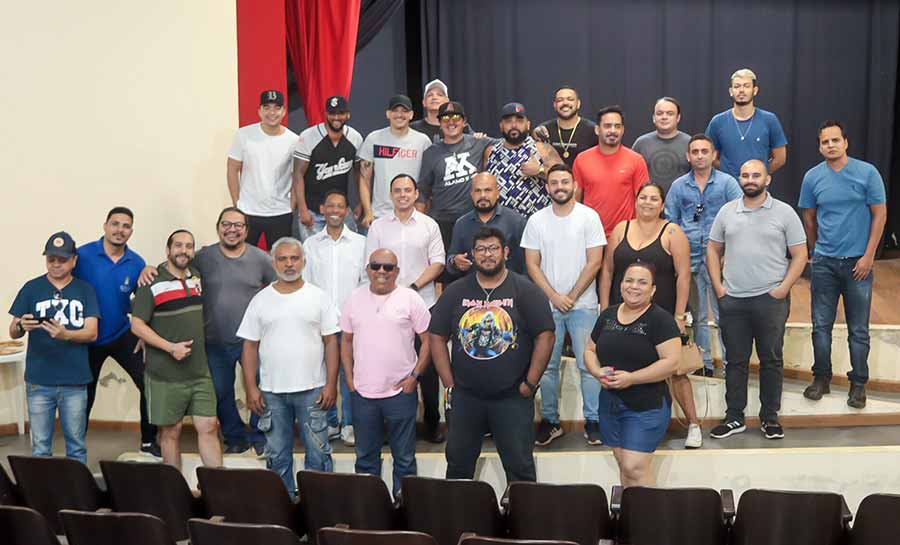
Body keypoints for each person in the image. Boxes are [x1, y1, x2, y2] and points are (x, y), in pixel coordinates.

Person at [429, 226, 555, 483]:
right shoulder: (456, 291)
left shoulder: (525, 290)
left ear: (506, 252)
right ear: (473, 255)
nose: (487, 255)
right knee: (458, 469)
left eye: (493, 248)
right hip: (466, 397)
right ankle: (462, 523)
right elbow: (436, 336)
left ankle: (521, 523)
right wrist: (448, 383)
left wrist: (530, 383)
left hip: (512, 397)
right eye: (481, 249)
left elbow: (546, 335)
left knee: (520, 470)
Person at [707, 159, 807, 440]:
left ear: (768, 180)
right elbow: (713, 250)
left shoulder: (785, 213)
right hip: (733, 299)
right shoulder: (727, 211)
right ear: (739, 179)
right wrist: (719, 287)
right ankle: (734, 417)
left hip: (770, 299)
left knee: (771, 360)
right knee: (735, 361)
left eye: (756, 175)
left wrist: (783, 289)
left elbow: (800, 254)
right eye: (745, 175)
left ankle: (769, 417)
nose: (750, 179)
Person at [600, 183, 701, 448]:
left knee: (676, 371)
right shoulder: (621, 229)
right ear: (635, 201)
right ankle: (632, 424)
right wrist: (603, 306)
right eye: (642, 197)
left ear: (662, 204)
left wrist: (679, 315)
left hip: (663, 314)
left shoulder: (672, 232)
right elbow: (608, 270)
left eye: (653, 198)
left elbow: (684, 275)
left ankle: (693, 424)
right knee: (630, 368)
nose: (647, 202)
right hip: (625, 314)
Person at [238, 237, 339, 495]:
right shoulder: (260, 300)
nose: (289, 263)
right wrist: (251, 388)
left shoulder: (319, 297)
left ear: (303, 261)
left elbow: (331, 343)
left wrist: (330, 385)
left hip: (313, 391)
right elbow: (249, 347)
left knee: (318, 455)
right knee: (277, 456)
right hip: (271, 393)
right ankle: (284, 512)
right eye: (282, 258)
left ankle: (318, 509)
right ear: (274, 263)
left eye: (294, 258)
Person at [799, 120, 887, 409]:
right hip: (825, 262)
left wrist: (869, 255)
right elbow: (809, 218)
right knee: (820, 326)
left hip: (858, 264)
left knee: (858, 329)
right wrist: (815, 251)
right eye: (825, 142)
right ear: (820, 146)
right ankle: (821, 378)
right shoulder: (813, 177)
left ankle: (858, 383)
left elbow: (880, 215)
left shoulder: (867, 173)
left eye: (835, 140)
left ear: (845, 142)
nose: (831, 146)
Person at [520, 164, 605, 446]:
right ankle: (551, 421)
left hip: (584, 305)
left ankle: (593, 421)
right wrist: (555, 297)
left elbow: (595, 261)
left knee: (588, 365)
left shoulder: (589, 217)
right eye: (554, 182)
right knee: (547, 367)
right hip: (547, 306)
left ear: (574, 185)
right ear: (547, 187)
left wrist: (571, 294)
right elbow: (532, 265)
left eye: (564, 182)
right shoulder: (536, 221)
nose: (559, 187)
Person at [340, 249, 431, 497]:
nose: (382, 271)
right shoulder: (353, 299)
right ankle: (371, 511)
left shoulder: (410, 299)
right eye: (376, 266)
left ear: (397, 271)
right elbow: (345, 342)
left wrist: (415, 377)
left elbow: (429, 340)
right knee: (366, 459)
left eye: (388, 267)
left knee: (404, 459)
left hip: (400, 393)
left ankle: (404, 510)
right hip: (362, 393)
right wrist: (349, 378)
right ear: (368, 269)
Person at [584, 261, 681, 486]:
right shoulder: (607, 315)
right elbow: (589, 349)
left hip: (646, 405)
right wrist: (597, 372)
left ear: (653, 289)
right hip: (610, 404)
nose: (634, 286)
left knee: (634, 467)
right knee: (624, 467)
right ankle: (630, 517)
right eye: (629, 280)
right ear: (620, 285)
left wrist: (632, 378)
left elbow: (672, 363)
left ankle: (649, 520)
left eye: (642, 282)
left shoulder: (661, 320)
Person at [131, 230, 222, 469]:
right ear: (168, 250)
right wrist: (170, 348)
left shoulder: (196, 277)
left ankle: (218, 488)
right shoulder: (151, 281)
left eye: (189, 246)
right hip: (165, 375)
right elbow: (137, 325)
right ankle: (175, 493)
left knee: (209, 426)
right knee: (170, 433)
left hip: (199, 373)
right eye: (178, 245)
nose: (184, 251)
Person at [366, 174, 446, 443]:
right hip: (385, 307)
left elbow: (438, 263)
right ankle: (395, 425)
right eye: (397, 190)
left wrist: (412, 287)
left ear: (415, 194)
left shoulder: (429, 225)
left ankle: (433, 422)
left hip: (423, 302)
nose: (402, 195)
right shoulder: (378, 227)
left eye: (407, 190)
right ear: (391, 195)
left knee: (429, 366)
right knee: (389, 362)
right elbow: (370, 264)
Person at [74, 207, 159, 458]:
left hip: (122, 333)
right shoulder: (83, 255)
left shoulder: (136, 262)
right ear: (105, 226)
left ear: (131, 231)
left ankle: (148, 441)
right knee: (84, 396)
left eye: (126, 226)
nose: (120, 230)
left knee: (149, 384)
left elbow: (142, 302)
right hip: (88, 337)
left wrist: (144, 332)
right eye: (115, 224)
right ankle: (76, 448)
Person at [9, 232, 99, 464]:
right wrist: (21, 324)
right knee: (40, 448)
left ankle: (78, 497)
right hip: (39, 380)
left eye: (62, 259)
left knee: (76, 447)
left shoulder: (85, 289)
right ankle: (43, 498)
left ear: (74, 260)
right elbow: (13, 330)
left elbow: (92, 332)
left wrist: (66, 334)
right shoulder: (31, 288)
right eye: (51, 259)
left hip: (75, 380)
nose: (56, 264)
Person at [665, 134, 742, 376]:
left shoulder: (727, 184)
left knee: (724, 315)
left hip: (720, 259)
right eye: (695, 151)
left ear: (713, 155)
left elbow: (740, 219)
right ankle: (703, 365)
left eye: (704, 151)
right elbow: (671, 222)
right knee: (697, 317)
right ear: (688, 156)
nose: (699, 155)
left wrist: (728, 253)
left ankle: (732, 366)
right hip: (690, 259)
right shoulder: (679, 186)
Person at [303, 190, 368, 445]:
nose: (335, 211)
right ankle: (329, 422)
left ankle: (350, 424)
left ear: (347, 211)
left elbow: (365, 282)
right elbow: (306, 283)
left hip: (352, 321)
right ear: (322, 208)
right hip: (321, 323)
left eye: (340, 206)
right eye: (330, 205)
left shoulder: (361, 244)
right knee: (323, 373)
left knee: (350, 373)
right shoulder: (310, 244)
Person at [417, 101, 494, 283]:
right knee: (447, 275)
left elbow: (509, 142)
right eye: (445, 118)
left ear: (464, 121)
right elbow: (422, 191)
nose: (451, 122)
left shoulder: (478, 142)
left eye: (456, 118)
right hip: (443, 222)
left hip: (472, 219)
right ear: (439, 122)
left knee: (478, 271)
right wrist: (419, 224)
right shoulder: (430, 153)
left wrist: (539, 134)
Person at [227, 90, 298, 249]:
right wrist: (237, 203)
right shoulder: (244, 134)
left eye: (276, 108)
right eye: (267, 107)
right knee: (242, 259)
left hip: (280, 212)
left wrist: (291, 206)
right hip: (247, 211)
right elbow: (232, 168)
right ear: (259, 110)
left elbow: (297, 176)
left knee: (280, 262)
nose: (272, 113)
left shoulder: (293, 140)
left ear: (284, 111)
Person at [573, 106, 650, 239]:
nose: (613, 131)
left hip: (625, 236)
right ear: (597, 129)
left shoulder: (636, 160)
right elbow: (575, 201)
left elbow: (643, 201)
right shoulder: (582, 159)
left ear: (623, 130)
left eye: (617, 126)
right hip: (590, 235)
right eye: (607, 126)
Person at [293, 95, 363, 240]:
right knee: (312, 256)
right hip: (312, 210)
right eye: (332, 113)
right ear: (325, 114)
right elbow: (297, 175)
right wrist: (303, 209)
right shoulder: (309, 136)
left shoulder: (355, 138)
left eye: (341, 113)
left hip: (341, 209)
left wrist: (361, 203)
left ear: (348, 114)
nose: (336, 117)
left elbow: (359, 175)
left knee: (349, 251)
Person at [358, 94, 432, 229]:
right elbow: (364, 179)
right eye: (395, 111)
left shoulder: (423, 141)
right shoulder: (373, 139)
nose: (399, 115)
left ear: (411, 115)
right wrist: (368, 212)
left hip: (412, 215)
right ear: (388, 114)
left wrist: (423, 211)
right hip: (380, 215)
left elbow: (429, 180)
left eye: (404, 111)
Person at [705, 68, 787, 180]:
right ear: (731, 91)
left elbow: (780, 158)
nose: (741, 90)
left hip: (758, 190)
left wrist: (759, 175)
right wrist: (726, 173)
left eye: (746, 86)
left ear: (755, 90)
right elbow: (708, 156)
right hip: (726, 190)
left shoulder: (769, 120)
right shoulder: (718, 122)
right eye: (737, 86)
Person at [485, 102, 562, 218]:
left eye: (519, 120)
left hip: (537, 222)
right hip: (503, 224)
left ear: (528, 125)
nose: (514, 125)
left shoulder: (542, 149)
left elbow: (564, 179)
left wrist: (540, 170)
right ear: (501, 125)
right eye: (508, 121)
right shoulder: (491, 152)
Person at [446, 172, 527, 276]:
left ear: (498, 193)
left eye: (488, 190)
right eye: (478, 191)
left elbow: (526, 265)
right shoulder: (461, 224)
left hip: (509, 288)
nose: (482, 195)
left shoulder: (516, 222)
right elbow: (450, 261)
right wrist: (455, 262)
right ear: (471, 194)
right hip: (473, 288)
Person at [632, 97, 691, 193]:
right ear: (654, 118)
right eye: (659, 113)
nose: (664, 117)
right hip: (649, 204)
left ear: (678, 117)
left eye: (670, 113)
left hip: (681, 204)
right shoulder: (641, 144)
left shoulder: (690, 144)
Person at [534, 86, 598, 168]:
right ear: (554, 105)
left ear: (578, 104)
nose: (565, 103)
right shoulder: (544, 130)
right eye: (560, 100)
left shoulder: (592, 130)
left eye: (570, 99)